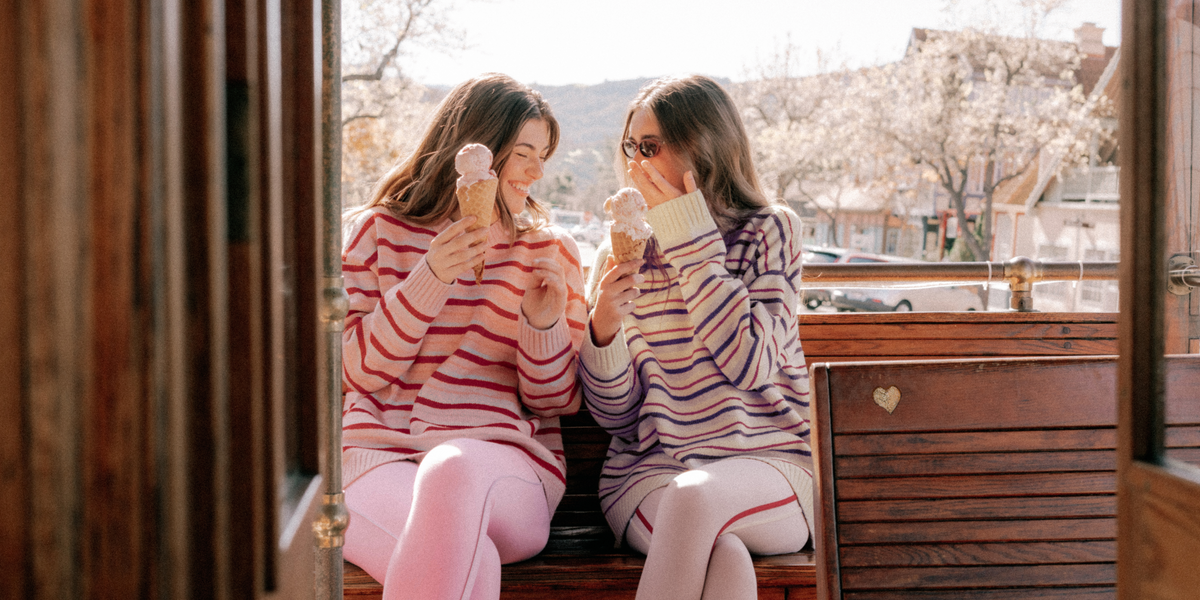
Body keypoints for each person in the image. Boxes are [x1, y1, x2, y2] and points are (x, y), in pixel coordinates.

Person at [340, 73, 587, 600]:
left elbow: (555, 400)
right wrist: (430, 277)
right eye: (524, 153)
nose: (538, 171)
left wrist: (542, 323)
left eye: (543, 155)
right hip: (381, 457)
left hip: (505, 464)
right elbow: (359, 371)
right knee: (473, 567)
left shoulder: (549, 251)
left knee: (452, 470)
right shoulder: (376, 231)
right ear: (475, 150)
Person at [581, 75, 813, 600]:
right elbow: (619, 416)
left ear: (701, 146)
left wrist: (690, 240)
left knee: (696, 502)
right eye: (629, 147)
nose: (634, 163)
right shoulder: (619, 253)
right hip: (652, 474)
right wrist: (604, 334)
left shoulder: (770, 231)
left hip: (771, 463)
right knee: (722, 552)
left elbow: (750, 363)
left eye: (650, 147)